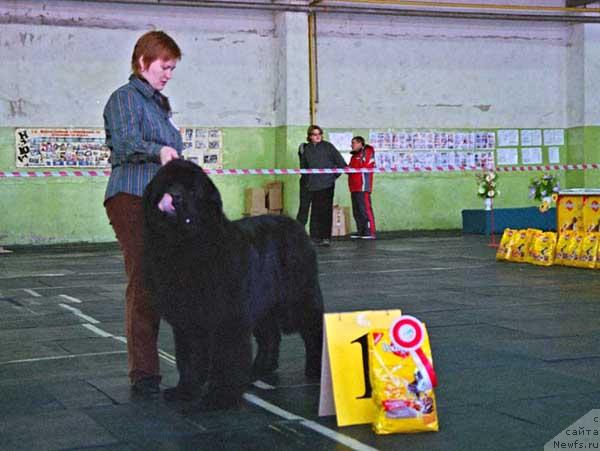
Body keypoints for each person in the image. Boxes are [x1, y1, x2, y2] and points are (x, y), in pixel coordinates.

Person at [103, 30, 182, 396]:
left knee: (168, 280)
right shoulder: (124, 99)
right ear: (142, 62)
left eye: (172, 68)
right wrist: (160, 152)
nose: (168, 74)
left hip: (158, 200)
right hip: (130, 197)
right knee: (144, 281)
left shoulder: (159, 105)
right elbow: (125, 142)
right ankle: (145, 373)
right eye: (164, 67)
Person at [299, 125, 347, 247]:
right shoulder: (307, 149)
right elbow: (303, 168)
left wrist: (332, 177)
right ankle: (314, 237)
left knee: (325, 212)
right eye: (315, 134)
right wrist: (306, 181)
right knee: (314, 212)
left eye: (319, 134)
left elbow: (342, 164)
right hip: (311, 185)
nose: (318, 136)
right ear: (310, 136)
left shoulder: (328, 147)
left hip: (326, 185)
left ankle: (325, 237)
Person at [348, 136, 376, 239]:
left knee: (365, 209)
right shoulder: (354, 156)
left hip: (363, 187)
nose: (352, 145)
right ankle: (361, 231)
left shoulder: (367, 151)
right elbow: (350, 169)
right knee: (357, 210)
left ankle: (370, 232)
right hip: (353, 187)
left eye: (354, 143)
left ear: (360, 143)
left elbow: (365, 166)